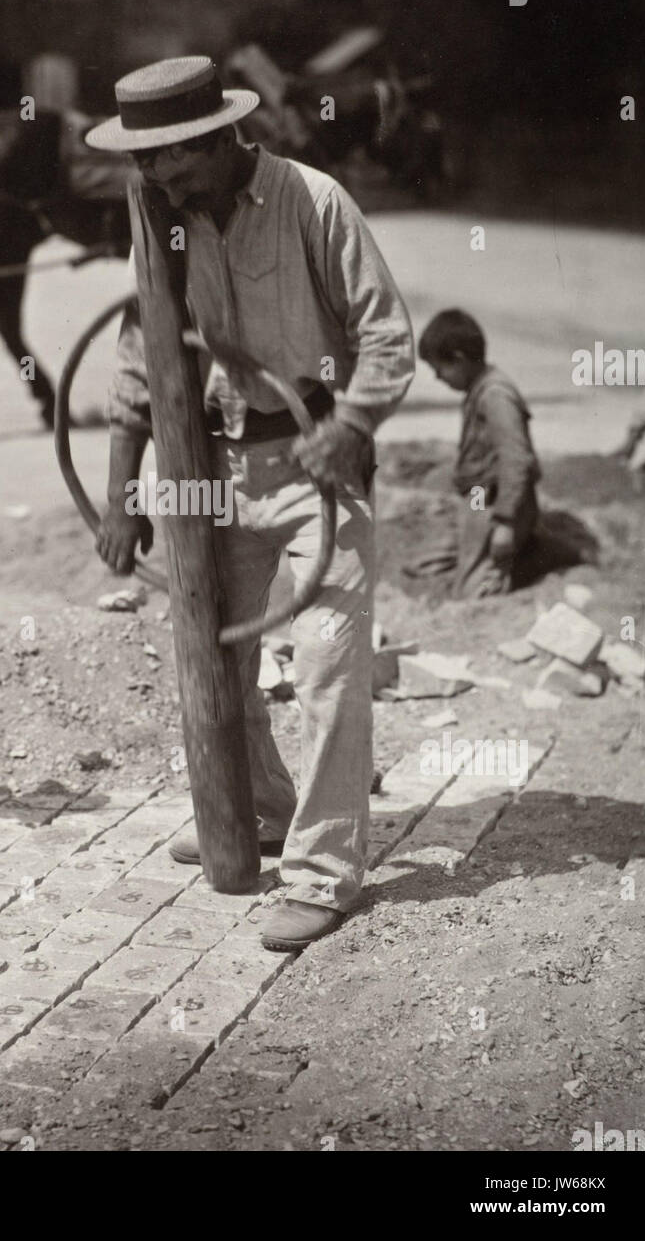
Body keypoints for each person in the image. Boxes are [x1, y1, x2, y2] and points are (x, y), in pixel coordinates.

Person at [86, 56, 414, 952]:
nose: (153, 175)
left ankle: (320, 873)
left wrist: (348, 424)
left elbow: (387, 334)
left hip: (318, 469)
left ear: (220, 136)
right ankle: (263, 810)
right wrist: (123, 494)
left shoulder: (312, 201)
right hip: (213, 471)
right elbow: (136, 361)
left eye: (170, 158)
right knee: (214, 661)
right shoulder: (159, 224)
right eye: (143, 161)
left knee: (326, 664)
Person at [418, 307, 541, 597]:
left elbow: (516, 458)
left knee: (469, 592)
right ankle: (489, 549)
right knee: (430, 562)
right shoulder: (478, 388)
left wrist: (506, 524)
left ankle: (530, 554)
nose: (437, 378)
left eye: (439, 369)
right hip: (478, 498)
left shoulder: (495, 395)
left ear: (459, 359)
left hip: (499, 503)